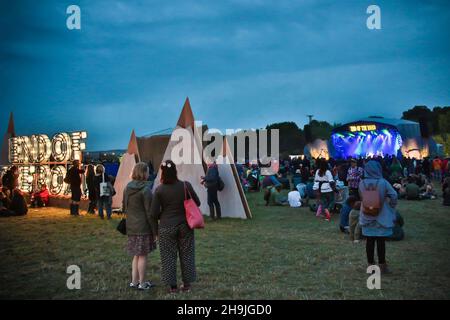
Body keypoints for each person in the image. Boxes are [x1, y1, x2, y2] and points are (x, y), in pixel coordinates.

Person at [150, 160, 200, 293]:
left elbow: (153, 214)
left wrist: (156, 231)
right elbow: (198, 203)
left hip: (166, 227)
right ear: (175, 171)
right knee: (187, 254)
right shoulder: (185, 186)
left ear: (162, 173)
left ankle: (173, 287)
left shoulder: (159, 190)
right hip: (185, 225)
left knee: (168, 257)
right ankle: (187, 285)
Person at [359, 160, 397, 274]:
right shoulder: (383, 182)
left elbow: (361, 197)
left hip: (366, 214)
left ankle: (370, 265)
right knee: (381, 241)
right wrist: (391, 205)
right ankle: (382, 265)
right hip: (382, 215)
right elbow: (394, 195)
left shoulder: (362, 183)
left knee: (369, 241)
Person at [123, 162, 155, 290]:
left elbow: (124, 207)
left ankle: (134, 282)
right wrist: (155, 230)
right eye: (147, 171)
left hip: (131, 226)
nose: (149, 174)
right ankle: (142, 283)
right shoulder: (146, 190)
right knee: (142, 255)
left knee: (136, 255)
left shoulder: (127, 187)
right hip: (143, 227)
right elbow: (150, 213)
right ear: (143, 173)